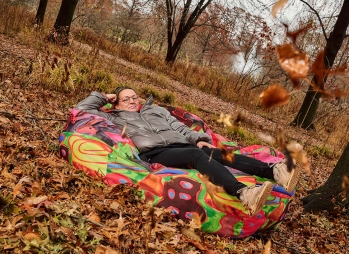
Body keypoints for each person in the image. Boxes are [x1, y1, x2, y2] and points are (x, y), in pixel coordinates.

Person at [75, 86, 300, 216]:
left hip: (183, 145)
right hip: (155, 152)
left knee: (215, 153)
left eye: (135, 97)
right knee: (195, 156)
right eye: (126, 99)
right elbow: (82, 109)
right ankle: (243, 193)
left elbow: (179, 127)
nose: (133, 101)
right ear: (117, 104)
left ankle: (274, 172)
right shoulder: (112, 116)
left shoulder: (156, 111)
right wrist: (106, 97)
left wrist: (199, 139)